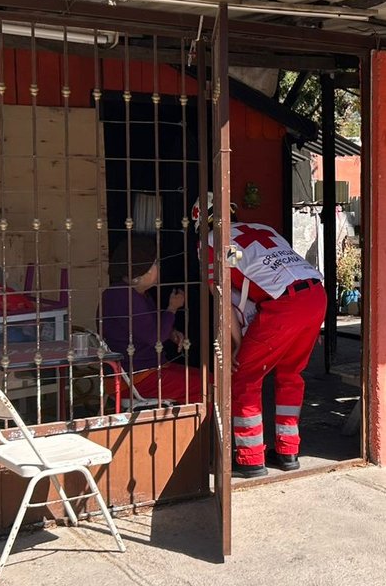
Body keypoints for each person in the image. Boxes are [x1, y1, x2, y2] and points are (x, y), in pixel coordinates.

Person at [193, 193, 327, 479]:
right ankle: (288, 451)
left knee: (244, 376)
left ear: (201, 222)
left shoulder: (211, 243)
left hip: (283, 306)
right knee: (291, 374)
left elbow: (222, 300)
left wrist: (237, 348)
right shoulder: (264, 229)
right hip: (316, 295)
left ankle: (250, 458)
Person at [98, 241, 203, 405]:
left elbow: (146, 327)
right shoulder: (122, 296)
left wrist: (171, 332)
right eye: (155, 264)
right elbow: (155, 337)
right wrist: (172, 308)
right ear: (139, 273)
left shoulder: (135, 294)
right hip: (136, 378)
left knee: (210, 379)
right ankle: (201, 430)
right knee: (209, 387)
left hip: (147, 370)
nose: (158, 268)